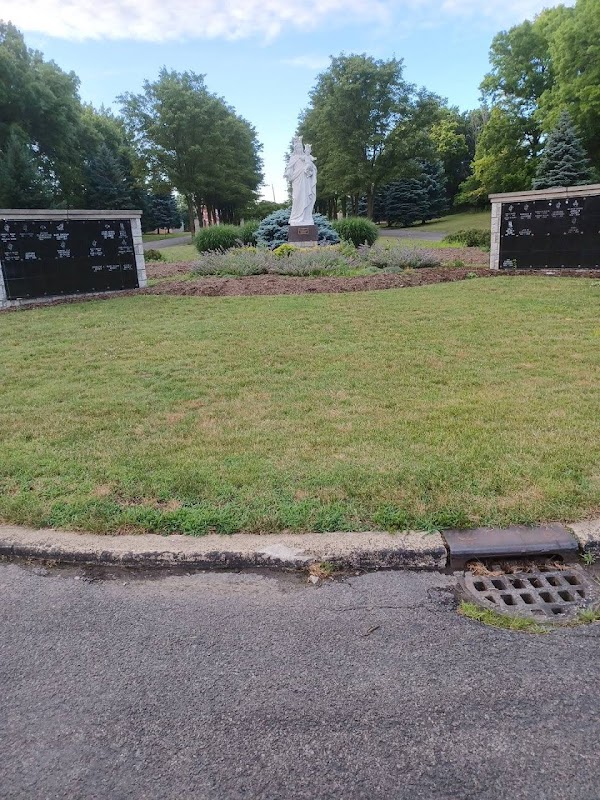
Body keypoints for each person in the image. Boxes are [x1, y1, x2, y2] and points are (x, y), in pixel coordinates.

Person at [284, 137, 317, 226]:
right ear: (295, 149)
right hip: (297, 180)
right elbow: (289, 168)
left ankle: (306, 217)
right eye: (297, 147)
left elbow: (312, 167)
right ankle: (295, 218)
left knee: (306, 197)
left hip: (305, 181)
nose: (299, 149)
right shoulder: (293, 158)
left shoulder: (306, 157)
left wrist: (309, 170)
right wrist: (287, 174)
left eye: (300, 147)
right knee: (297, 197)